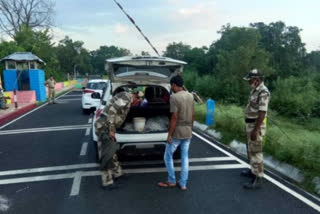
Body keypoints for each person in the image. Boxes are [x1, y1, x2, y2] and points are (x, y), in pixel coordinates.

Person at [94, 88, 143, 189]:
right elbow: (112, 111)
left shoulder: (127, 98)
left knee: (112, 152)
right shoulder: (126, 97)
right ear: (136, 97)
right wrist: (111, 130)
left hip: (108, 126)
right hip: (104, 127)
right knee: (106, 154)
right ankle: (107, 182)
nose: (137, 105)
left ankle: (117, 173)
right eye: (138, 102)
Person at [157, 75, 194, 191]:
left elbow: (174, 117)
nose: (171, 88)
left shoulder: (174, 97)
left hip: (177, 131)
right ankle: (183, 183)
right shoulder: (190, 96)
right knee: (185, 157)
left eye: (171, 85)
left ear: (174, 85)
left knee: (167, 156)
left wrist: (169, 134)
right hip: (188, 131)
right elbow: (193, 114)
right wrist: (191, 129)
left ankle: (172, 180)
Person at [241, 68, 270, 189]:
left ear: (257, 80)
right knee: (250, 150)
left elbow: (262, 113)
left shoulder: (263, 92)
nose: (249, 82)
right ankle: (252, 170)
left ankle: (258, 178)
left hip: (255, 126)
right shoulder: (255, 90)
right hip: (250, 124)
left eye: (250, 80)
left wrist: (255, 130)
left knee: (256, 152)